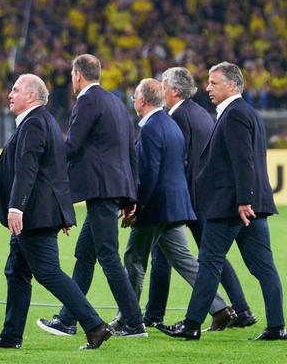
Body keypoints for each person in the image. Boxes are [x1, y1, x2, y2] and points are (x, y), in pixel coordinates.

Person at [157, 62, 286, 341]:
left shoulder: (235, 114)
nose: (208, 88)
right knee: (263, 266)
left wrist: (242, 201)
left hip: (232, 206)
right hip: (250, 205)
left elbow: (243, 161)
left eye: (214, 83)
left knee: (209, 263)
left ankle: (191, 325)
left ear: (232, 85)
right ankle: (277, 326)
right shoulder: (245, 112)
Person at [0, 73, 112, 351]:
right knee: (16, 271)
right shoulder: (44, 121)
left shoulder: (34, 123)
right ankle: (11, 335)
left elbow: (28, 169)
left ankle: (94, 325)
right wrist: (63, 213)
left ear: (31, 96)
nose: (10, 94)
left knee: (47, 272)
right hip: (41, 212)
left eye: (15, 89)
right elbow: (56, 172)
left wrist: (16, 206)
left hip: (33, 214)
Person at [36, 54, 146, 338]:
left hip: (100, 189)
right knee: (85, 255)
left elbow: (72, 146)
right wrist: (130, 195)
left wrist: (46, 150)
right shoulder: (117, 103)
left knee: (108, 255)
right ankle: (68, 319)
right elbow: (130, 151)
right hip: (112, 188)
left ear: (76, 75)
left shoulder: (86, 101)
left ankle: (134, 322)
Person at [144, 67, 256, 330]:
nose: (160, 89)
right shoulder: (201, 113)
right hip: (204, 197)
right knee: (212, 256)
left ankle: (154, 314)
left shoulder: (178, 117)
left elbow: (179, 161)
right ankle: (241, 309)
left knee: (168, 254)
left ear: (173, 90)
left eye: (163, 84)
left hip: (188, 198)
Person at [122, 78, 234, 328]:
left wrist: (136, 206)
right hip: (175, 207)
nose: (134, 103)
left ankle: (130, 321)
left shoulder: (150, 128)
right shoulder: (170, 124)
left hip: (156, 208)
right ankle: (220, 307)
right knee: (185, 260)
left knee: (133, 258)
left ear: (142, 101)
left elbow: (149, 174)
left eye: (134, 98)